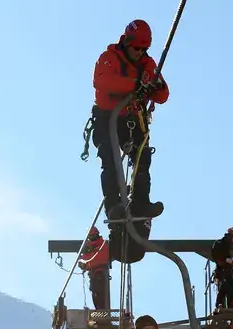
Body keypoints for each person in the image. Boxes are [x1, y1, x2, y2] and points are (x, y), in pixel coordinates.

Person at [92, 19, 169, 263]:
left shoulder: (147, 64)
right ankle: (114, 205)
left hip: (133, 119)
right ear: (126, 42)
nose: (139, 53)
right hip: (108, 118)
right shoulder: (109, 58)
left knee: (142, 160)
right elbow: (103, 81)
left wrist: (153, 85)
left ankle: (140, 203)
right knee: (110, 162)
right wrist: (136, 84)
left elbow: (163, 94)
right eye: (136, 48)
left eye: (143, 49)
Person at [78, 226, 111, 312]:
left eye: (92, 236)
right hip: (94, 275)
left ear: (97, 234)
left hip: (99, 274)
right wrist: (81, 262)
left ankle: (102, 312)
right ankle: (100, 312)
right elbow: (85, 259)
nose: (91, 238)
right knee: (95, 294)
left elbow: (97, 259)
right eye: (90, 236)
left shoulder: (102, 245)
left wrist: (85, 264)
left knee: (99, 294)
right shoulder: (89, 247)